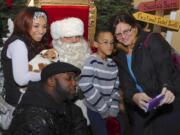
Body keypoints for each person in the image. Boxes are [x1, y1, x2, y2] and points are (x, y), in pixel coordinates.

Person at [112, 12, 180, 135]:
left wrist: (167, 86)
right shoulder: (120, 54)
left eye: (127, 31)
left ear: (134, 27)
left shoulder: (152, 40)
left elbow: (164, 65)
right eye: (118, 34)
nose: (123, 37)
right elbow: (126, 84)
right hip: (144, 107)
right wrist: (134, 96)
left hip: (167, 103)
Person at [5, 62, 90, 135]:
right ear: (51, 81)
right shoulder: (34, 120)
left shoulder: (72, 108)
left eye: (75, 79)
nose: (75, 83)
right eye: (68, 78)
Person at [1, 7, 49, 106]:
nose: (41, 31)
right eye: (36, 26)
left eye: (44, 26)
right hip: (19, 103)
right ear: (24, 25)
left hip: (31, 97)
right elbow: (21, 79)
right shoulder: (18, 44)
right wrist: (50, 72)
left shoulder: (30, 40)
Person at [78, 25, 121, 135]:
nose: (110, 46)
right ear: (96, 44)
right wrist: (103, 108)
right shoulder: (91, 61)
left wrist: (114, 109)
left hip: (109, 109)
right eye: (105, 42)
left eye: (112, 42)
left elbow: (115, 89)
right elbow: (85, 85)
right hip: (95, 109)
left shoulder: (113, 65)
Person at [50, 17, 92, 125]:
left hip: (83, 100)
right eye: (69, 37)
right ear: (59, 38)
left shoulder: (87, 54)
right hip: (58, 105)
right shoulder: (50, 56)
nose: (74, 40)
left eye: (78, 36)